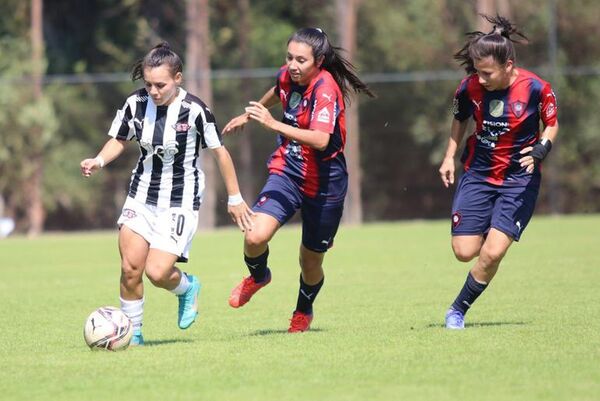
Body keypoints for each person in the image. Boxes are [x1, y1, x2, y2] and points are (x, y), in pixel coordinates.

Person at [80, 42, 254, 345]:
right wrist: (98, 160)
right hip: (141, 195)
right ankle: (132, 334)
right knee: (130, 268)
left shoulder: (196, 110)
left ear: (178, 78)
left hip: (180, 200)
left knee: (157, 272)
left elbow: (220, 154)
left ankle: (187, 288)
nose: (153, 91)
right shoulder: (135, 104)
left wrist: (235, 198)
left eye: (160, 84)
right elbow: (118, 140)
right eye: (148, 84)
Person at [222, 27, 375, 332]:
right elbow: (277, 91)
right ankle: (258, 276)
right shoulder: (287, 76)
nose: (293, 65)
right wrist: (252, 113)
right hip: (288, 172)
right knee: (254, 236)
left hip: (325, 183)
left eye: (301, 60)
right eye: (289, 57)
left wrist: (272, 124)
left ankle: (303, 311)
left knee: (310, 260)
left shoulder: (325, 89)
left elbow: (320, 139)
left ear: (318, 60)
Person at [438, 15, 559, 329]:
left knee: (491, 254)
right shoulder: (468, 88)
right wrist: (449, 157)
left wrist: (541, 148)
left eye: (487, 73)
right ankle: (489, 229)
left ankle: (457, 311)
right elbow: (459, 120)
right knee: (464, 251)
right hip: (478, 174)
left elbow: (552, 124)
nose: (480, 79)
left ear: (508, 65)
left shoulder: (536, 88)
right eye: (477, 72)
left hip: (519, 180)